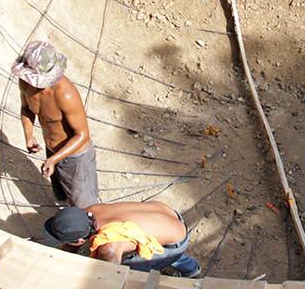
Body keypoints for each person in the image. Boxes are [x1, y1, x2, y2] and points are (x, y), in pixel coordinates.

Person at [12, 41, 101, 209]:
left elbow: (82, 134)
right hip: (52, 152)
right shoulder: (25, 83)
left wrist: (54, 159)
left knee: (86, 207)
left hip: (76, 159)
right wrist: (29, 135)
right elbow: (26, 109)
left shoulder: (66, 95)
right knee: (66, 196)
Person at [39, 200, 201, 277]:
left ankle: (189, 270)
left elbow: (109, 286)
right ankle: (190, 266)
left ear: (80, 240)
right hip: (171, 217)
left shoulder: (109, 248)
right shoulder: (88, 212)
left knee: (132, 268)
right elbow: (71, 245)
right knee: (149, 240)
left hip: (175, 243)